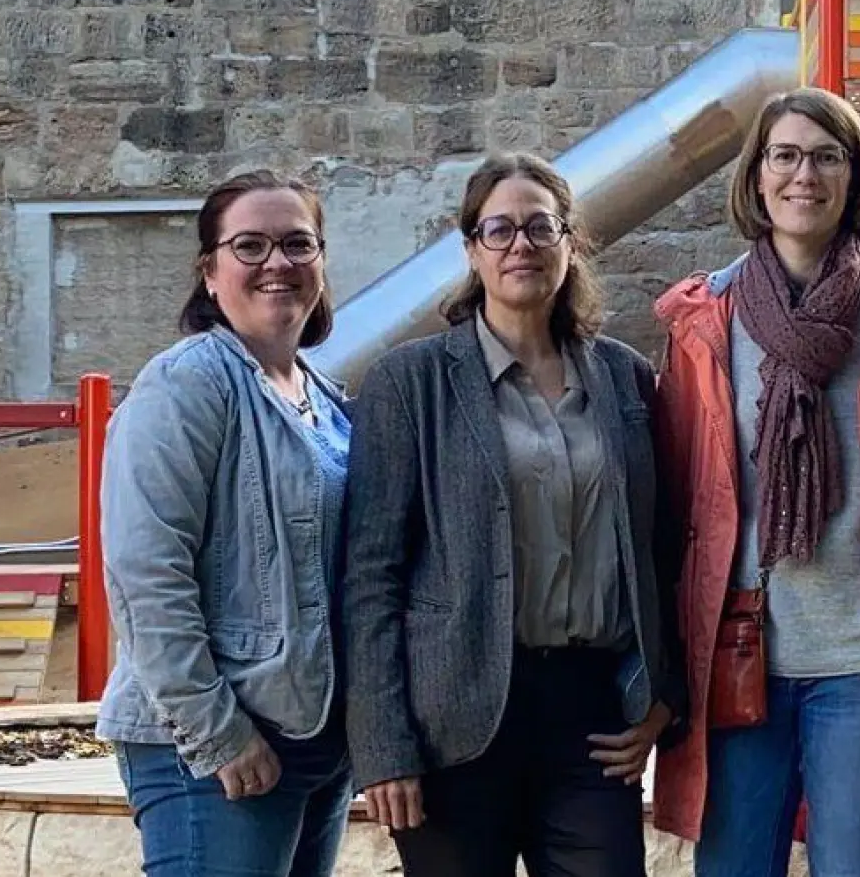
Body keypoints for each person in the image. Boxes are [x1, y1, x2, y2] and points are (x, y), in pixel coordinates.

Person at [649, 86, 860, 876]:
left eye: (828, 157)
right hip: (740, 654)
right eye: (786, 156)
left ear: (855, 176)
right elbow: (674, 497)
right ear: (757, 177)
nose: (806, 175)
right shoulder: (707, 318)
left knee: (859, 866)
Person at [339, 151, 687, 877]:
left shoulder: (625, 378)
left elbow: (663, 548)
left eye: (540, 227)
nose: (520, 245)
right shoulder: (410, 383)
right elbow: (370, 577)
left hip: (591, 714)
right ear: (472, 249)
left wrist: (663, 693)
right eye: (498, 230)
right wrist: (383, 746)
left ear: (570, 242)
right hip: (452, 719)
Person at [97, 170, 355, 876]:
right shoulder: (186, 384)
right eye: (249, 246)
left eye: (298, 243)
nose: (277, 263)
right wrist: (216, 733)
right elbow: (146, 573)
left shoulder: (324, 398)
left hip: (311, 740)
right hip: (217, 750)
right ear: (210, 273)